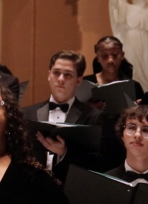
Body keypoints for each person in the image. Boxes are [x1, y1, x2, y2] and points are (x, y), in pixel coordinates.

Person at [23, 50, 102, 182]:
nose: (60, 79)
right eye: (56, 73)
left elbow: (98, 164)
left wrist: (64, 152)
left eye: (68, 75)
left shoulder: (94, 117)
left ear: (78, 81)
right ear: (49, 75)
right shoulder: (26, 114)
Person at [106, 105, 148, 188]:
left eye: (146, 130)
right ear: (122, 135)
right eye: (131, 128)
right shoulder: (104, 182)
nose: (137, 134)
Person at [83, 36, 144, 108]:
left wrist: (138, 108)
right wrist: (88, 108)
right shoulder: (85, 84)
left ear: (122, 55)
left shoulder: (134, 86)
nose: (110, 60)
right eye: (104, 56)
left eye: (115, 54)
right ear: (98, 58)